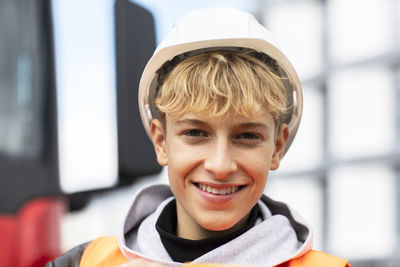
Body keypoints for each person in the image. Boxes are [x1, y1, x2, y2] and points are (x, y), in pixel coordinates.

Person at [47, 7, 350, 267]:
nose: (220, 166)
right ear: (161, 141)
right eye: (195, 133)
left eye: (246, 136)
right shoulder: (86, 262)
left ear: (277, 146)